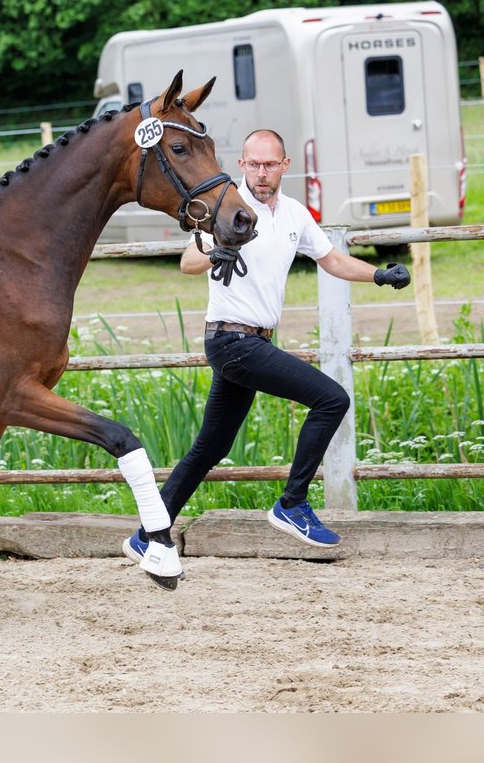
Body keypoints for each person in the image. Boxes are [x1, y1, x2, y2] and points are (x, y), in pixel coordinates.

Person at [123, 128, 411, 562]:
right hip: (231, 340)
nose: (261, 172)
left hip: (251, 343)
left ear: (284, 166)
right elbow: (188, 261)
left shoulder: (294, 214)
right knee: (332, 399)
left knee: (211, 447)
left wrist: (378, 275)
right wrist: (216, 249)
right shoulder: (225, 208)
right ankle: (293, 504)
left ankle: (148, 534)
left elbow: (331, 259)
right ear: (241, 165)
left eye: (269, 164)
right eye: (253, 164)